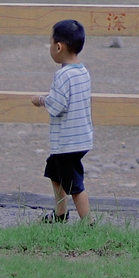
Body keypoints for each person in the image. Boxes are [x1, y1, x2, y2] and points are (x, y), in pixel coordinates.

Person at [31, 19, 93, 224]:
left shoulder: (62, 76)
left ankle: (88, 223)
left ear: (58, 47)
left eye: (51, 43)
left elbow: (56, 106)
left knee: (74, 183)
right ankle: (60, 213)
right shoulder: (83, 72)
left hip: (67, 142)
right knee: (54, 171)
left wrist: (41, 100)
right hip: (80, 137)